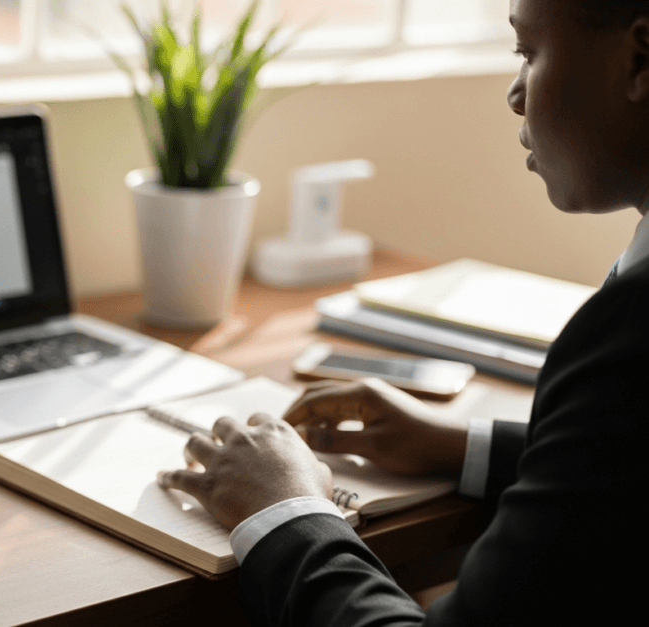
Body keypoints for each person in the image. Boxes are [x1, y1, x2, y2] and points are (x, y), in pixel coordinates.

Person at [156, 0, 649, 624]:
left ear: (640, 58)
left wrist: (284, 509)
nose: (516, 95)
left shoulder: (630, 336)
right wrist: (458, 446)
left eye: (529, 52)